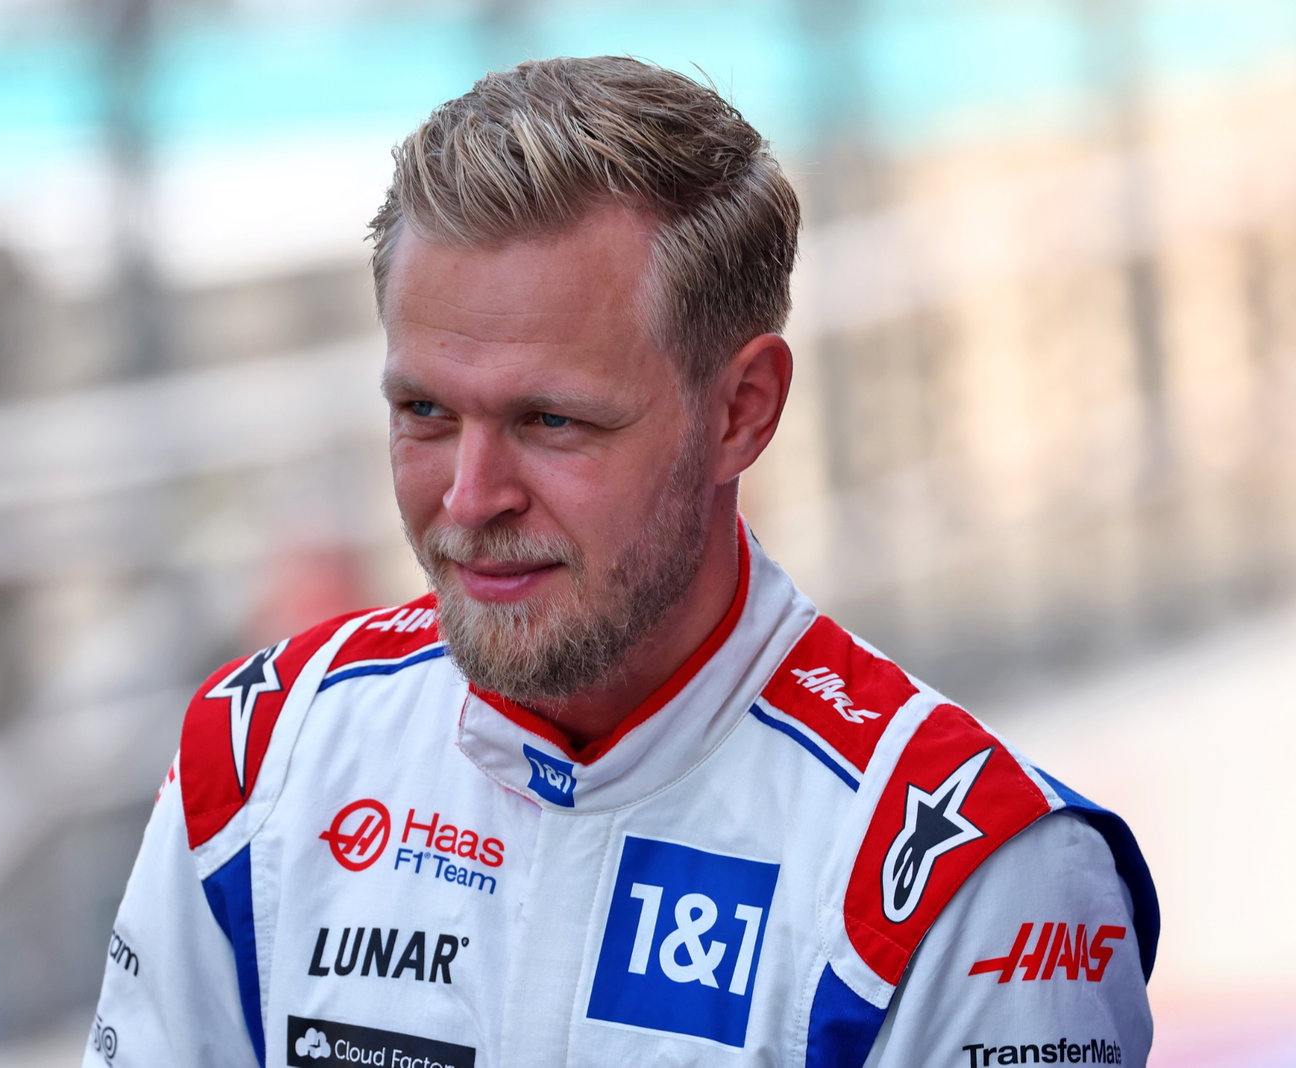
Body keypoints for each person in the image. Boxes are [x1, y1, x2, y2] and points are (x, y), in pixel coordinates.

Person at [85, 56, 1157, 1067]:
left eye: (551, 421)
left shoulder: (974, 877)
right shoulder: (261, 757)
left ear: (741, 412)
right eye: (423, 411)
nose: (468, 499)